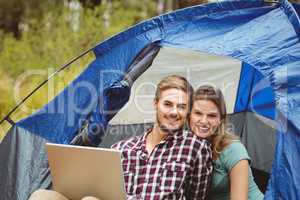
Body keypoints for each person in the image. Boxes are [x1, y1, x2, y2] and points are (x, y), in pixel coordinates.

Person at [111, 75, 213, 199]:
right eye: (168, 104)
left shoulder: (196, 148)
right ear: (155, 103)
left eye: (181, 106)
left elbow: (197, 197)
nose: (174, 112)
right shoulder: (120, 149)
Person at [188, 85, 264, 200]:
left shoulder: (233, 150)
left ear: (221, 120)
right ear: (189, 116)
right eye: (198, 113)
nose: (203, 121)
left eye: (212, 116)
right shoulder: (186, 146)